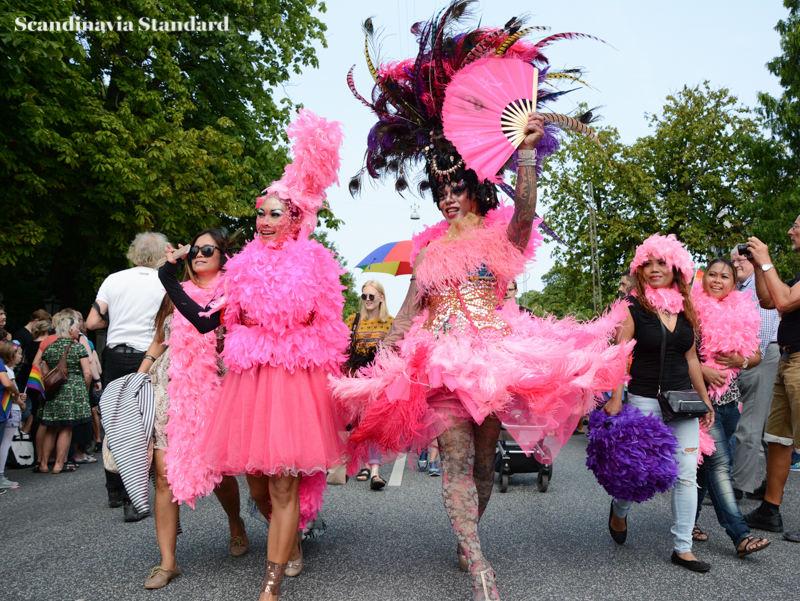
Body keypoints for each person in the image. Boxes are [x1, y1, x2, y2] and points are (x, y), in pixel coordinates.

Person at [333, 13, 631, 599]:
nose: (447, 197)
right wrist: (372, 366)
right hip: (442, 364)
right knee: (453, 462)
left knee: (485, 467)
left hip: (493, 360)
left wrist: (527, 156)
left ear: (474, 187)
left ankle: (469, 534)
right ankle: (478, 564)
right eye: (439, 190)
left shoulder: (498, 238)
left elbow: (524, 220)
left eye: (456, 187)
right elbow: (407, 313)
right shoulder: (426, 253)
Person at [159, 109, 349, 600]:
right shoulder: (239, 269)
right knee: (260, 488)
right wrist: (168, 279)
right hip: (250, 382)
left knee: (284, 486)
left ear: (295, 218)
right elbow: (207, 320)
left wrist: (333, 385)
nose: (264, 221)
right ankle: (289, 539)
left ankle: (271, 583)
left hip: (295, 382)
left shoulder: (317, 264)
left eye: (274, 213)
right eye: (260, 213)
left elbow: (331, 331)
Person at [136, 228, 248, 589]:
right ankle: (167, 562)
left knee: (218, 473)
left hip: (214, 388)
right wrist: (139, 377)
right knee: (163, 475)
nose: (199, 254)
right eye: (194, 249)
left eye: (208, 249)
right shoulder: (174, 294)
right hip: (169, 389)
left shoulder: (231, 293)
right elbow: (159, 341)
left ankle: (235, 522)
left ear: (223, 255)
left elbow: (219, 332)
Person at [605, 233, 715, 572]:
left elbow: (692, 359)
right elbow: (619, 357)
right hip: (644, 401)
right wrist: (616, 398)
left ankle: (683, 548)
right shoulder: (632, 309)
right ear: (639, 269)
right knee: (637, 473)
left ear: (676, 268)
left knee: (686, 476)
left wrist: (705, 401)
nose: (654, 269)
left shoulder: (686, 310)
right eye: (647, 263)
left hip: (681, 403)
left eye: (661, 263)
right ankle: (620, 509)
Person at [690, 258, 770, 557]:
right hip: (702, 403)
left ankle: (688, 523)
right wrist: (702, 369)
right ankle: (740, 534)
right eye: (712, 274)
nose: (717, 280)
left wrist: (741, 361)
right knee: (721, 465)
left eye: (725, 276)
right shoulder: (691, 311)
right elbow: (676, 353)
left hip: (730, 402)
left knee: (704, 468)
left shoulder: (742, 311)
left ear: (734, 284)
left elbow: (757, 355)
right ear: (703, 278)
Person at [87, 231, 169, 520]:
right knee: (143, 424)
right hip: (147, 356)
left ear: (134, 253)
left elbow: (91, 321)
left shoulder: (113, 279)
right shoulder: (164, 282)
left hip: (114, 356)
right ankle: (135, 497)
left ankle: (114, 488)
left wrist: (117, 321)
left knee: (114, 418)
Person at [743, 216, 800, 543]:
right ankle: (769, 510)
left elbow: (786, 301)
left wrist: (766, 261)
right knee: (779, 439)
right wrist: (758, 265)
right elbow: (769, 301)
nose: (790, 231)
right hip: (787, 360)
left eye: (796, 226)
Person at [730, 246, 780, 499]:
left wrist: (748, 362)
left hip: (759, 357)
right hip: (752, 358)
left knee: (749, 425)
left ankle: (737, 487)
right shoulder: (739, 289)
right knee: (765, 427)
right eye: (733, 260)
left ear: (754, 260)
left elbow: (765, 330)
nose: (737, 264)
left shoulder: (758, 285)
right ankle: (771, 487)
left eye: (742, 259)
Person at [345, 280, 393, 491]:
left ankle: (374, 470)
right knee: (359, 423)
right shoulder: (353, 320)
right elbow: (342, 349)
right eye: (364, 296)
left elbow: (395, 351)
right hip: (355, 380)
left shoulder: (390, 323)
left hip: (377, 380)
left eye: (371, 296)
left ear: (381, 298)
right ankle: (364, 465)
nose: (367, 300)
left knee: (373, 424)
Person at [33, 311, 92, 474]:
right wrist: (85, 389)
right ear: (71, 330)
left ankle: (43, 464)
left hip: (53, 390)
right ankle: (59, 464)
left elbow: (44, 371)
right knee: (66, 428)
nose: (78, 331)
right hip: (72, 390)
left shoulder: (49, 348)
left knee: (51, 428)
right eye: (77, 328)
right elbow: (87, 373)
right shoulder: (78, 347)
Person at [0, 340, 26, 489]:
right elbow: (12, 394)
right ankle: (1, 476)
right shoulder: (7, 372)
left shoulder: (7, 370)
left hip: (8, 409)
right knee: (5, 444)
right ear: (11, 354)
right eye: (19, 354)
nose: (21, 357)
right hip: (10, 409)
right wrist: (22, 403)